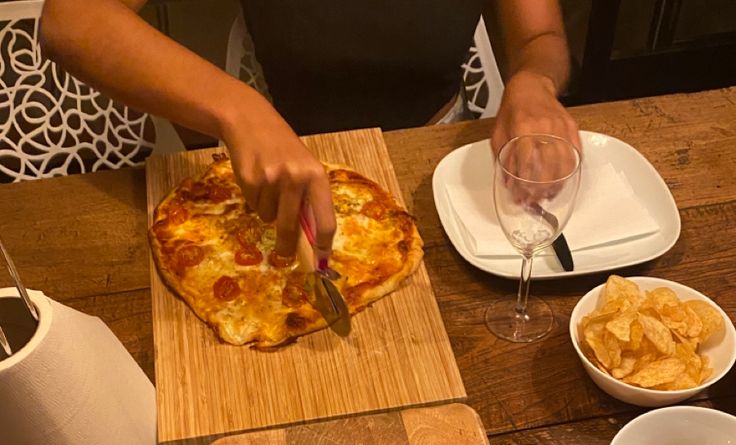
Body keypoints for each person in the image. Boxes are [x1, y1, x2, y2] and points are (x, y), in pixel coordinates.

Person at [39, 0, 580, 265]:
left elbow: (541, 35)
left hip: (432, 158)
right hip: (273, 164)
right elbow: (73, 21)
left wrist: (534, 80)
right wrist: (237, 109)